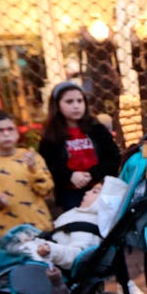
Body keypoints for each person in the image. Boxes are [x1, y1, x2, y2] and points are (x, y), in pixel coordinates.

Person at [39, 81, 121, 211]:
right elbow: (48, 165)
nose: (76, 106)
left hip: (100, 188)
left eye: (79, 101)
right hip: (70, 193)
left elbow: (113, 157)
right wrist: (70, 176)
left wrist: (92, 174)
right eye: (69, 102)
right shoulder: (51, 136)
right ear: (57, 105)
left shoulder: (97, 129)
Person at [0, 110, 54, 238]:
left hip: (40, 227)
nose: (6, 134)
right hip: (9, 234)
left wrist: (33, 169)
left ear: (17, 133)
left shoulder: (32, 157)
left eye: (10, 129)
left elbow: (47, 189)